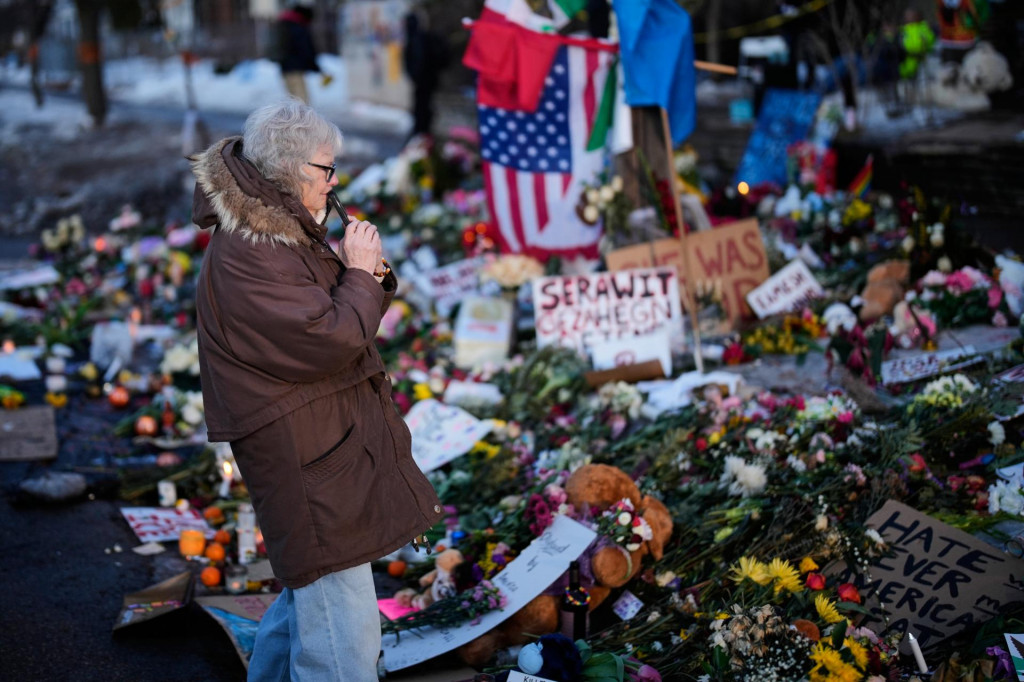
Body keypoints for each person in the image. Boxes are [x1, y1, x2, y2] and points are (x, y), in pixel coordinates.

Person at [189, 100, 444, 681]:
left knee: (313, 592)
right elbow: (328, 338)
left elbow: (330, 312)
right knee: (343, 627)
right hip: (302, 453)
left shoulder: (278, 230)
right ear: (286, 170)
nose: (335, 183)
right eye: (326, 169)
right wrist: (357, 273)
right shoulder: (252, 251)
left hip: (319, 441)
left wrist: (369, 276)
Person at [273, 5, 323, 104]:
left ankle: (295, 119)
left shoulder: (285, 24)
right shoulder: (297, 27)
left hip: (285, 67)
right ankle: (303, 120)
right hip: (296, 68)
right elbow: (305, 48)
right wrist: (314, 65)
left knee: (293, 100)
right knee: (302, 100)